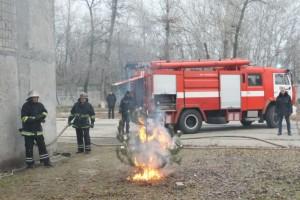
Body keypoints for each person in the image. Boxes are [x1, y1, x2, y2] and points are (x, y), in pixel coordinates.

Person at [20, 90, 52, 168]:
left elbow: (45, 112)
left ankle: (46, 162)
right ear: (30, 98)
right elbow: (23, 118)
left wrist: (41, 117)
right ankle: (30, 164)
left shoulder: (40, 105)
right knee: (29, 148)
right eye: (33, 97)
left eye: (36, 97)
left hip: (38, 130)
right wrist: (34, 118)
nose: (35, 99)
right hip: (28, 131)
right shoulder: (25, 106)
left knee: (42, 147)